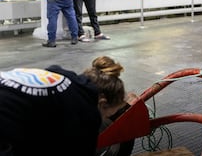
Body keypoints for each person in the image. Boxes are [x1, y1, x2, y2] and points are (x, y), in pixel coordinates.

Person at [0, 56, 128, 156]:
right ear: (102, 104)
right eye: (106, 115)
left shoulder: (65, 79)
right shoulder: (86, 110)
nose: (103, 119)